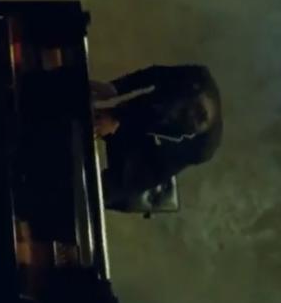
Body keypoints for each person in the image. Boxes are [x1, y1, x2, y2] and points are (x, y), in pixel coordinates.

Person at [90, 65, 223, 210]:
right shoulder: (194, 76)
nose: (186, 115)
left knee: (103, 192)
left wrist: (116, 121)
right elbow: (153, 75)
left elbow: (155, 169)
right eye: (182, 111)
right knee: (95, 120)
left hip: (153, 161)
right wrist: (116, 88)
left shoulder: (203, 148)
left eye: (183, 118)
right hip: (151, 113)